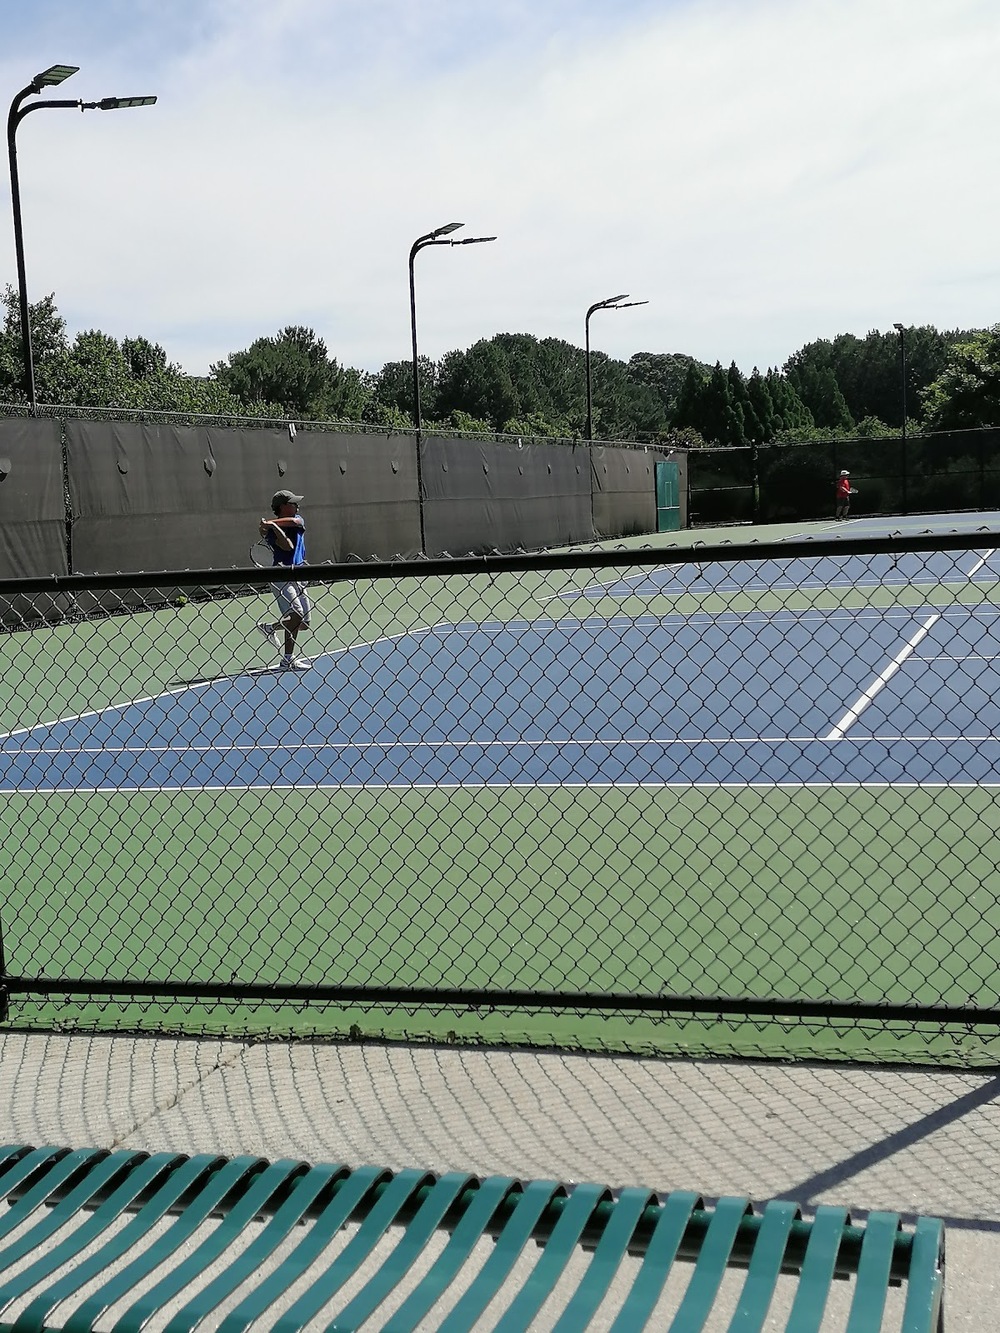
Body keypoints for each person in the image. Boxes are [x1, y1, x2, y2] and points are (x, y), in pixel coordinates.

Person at [256, 489, 312, 671]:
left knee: (303, 623)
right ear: (282, 507)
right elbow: (287, 547)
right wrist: (274, 528)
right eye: (293, 503)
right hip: (281, 576)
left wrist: (270, 523)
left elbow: (295, 521)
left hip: (299, 575)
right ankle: (288, 659)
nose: (297, 506)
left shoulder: (298, 520)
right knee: (296, 614)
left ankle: (269, 627)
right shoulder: (271, 532)